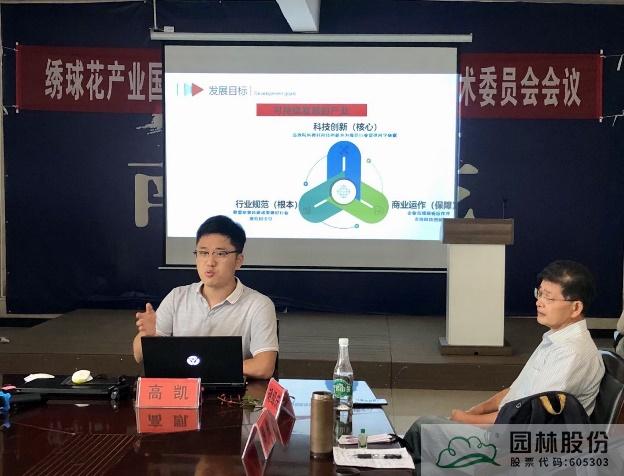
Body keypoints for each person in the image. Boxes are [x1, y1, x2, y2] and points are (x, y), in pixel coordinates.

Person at [404, 260, 605, 465]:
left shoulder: (571, 353)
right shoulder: (557, 339)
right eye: (539, 294)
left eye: (549, 298)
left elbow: (526, 418)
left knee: (423, 429)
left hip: (519, 449)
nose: (539, 302)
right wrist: (476, 411)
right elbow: (515, 391)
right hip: (508, 432)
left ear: (576, 307)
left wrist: (468, 421)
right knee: (423, 439)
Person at [132, 215, 278, 379]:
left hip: (230, 391)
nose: (210, 262)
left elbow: (264, 366)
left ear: (238, 260)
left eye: (220, 254)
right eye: (203, 253)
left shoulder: (259, 305)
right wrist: (148, 337)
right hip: (183, 390)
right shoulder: (177, 297)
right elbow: (139, 356)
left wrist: (206, 365)